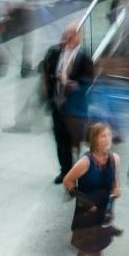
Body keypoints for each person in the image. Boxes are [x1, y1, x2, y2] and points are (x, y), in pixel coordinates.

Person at [42, 24, 95, 184]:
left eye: (72, 35)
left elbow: (89, 82)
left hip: (74, 109)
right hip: (58, 104)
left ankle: (78, 172)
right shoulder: (54, 52)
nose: (68, 38)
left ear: (80, 36)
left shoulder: (84, 58)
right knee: (60, 139)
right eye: (67, 35)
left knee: (75, 141)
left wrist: (75, 85)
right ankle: (64, 170)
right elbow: (45, 70)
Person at [64, 122, 120, 256]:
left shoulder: (114, 159)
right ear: (94, 139)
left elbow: (115, 183)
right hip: (85, 216)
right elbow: (68, 181)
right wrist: (84, 200)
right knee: (84, 252)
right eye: (103, 136)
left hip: (102, 215)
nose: (107, 139)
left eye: (109, 135)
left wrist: (116, 190)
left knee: (97, 251)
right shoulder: (85, 162)